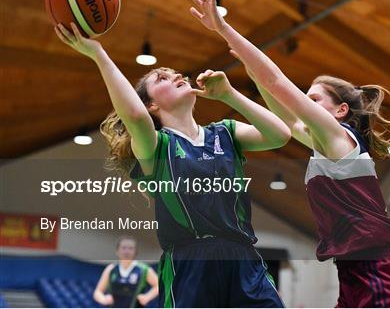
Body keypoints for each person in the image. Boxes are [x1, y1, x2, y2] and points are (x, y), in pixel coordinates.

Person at [186, 0, 390, 308]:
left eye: (314, 98)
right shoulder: (325, 145)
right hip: (355, 276)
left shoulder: (339, 139)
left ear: (340, 110)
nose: (305, 103)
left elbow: (277, 82)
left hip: (378, 276)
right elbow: (288, 120)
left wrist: (224, 28)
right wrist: (249, 77)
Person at [54, 21, 289, 307]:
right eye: (162, 78)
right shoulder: (157, 146)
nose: (175, 74)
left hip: (243, 257)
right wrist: (99, 54)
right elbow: (136, 118)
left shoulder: (225, 132)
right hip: (190, 264)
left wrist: (230, 95)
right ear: (152, 105)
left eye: (174, 73)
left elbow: (280, 135)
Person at [94, 235, 158, 307]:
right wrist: (104, 299)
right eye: (123, 248)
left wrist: (147, 297)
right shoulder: (111, 269)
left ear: (135, 252)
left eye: (130, 248)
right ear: (117, 251)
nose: (127, 251)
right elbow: (97, 292)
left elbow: (159, 286)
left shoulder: (143, 269)